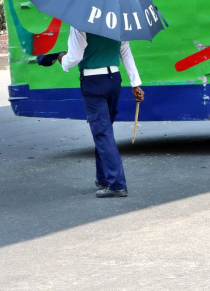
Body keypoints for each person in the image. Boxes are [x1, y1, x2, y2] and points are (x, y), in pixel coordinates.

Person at [52, 29, 144, 198]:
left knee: (102, 132)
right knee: (104, 130)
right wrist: (135, 83)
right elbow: (125, 50)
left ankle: (116, 184)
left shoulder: (80, 23)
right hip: (114, 80)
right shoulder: (117, 20)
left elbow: (75, 57)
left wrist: (61, 58)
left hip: (93, 82)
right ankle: (103, 178)